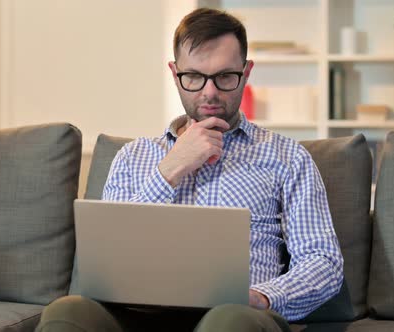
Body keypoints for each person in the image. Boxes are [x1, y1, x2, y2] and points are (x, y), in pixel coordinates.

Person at [37, 8, 343, 332]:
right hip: (137, 315)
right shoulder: (132, 157)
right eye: (194, 76)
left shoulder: (286, 156)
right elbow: (111, 261)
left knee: (228, 321)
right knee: (67, 312)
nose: (209, 92)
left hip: (239, 316)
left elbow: (322, 261)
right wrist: (171, 168)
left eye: (225, 76)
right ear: (174, 73)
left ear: (246, 71)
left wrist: (262, 297)